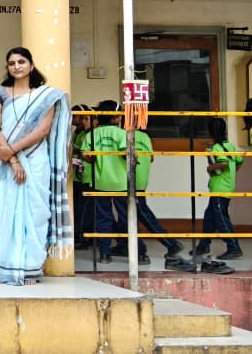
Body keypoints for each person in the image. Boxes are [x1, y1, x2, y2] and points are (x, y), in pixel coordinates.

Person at [0, 47, 71, 286]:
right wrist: (12, 159)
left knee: (34, 211)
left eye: (21, 62)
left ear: (31, 66)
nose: (16, 66)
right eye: (12, 63)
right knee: (6, 212)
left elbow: (42, 131)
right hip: (4, 159)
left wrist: (12, 150)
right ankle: (2, 267)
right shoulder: (1, 92)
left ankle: (30, 268)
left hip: (34, 158)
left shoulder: (46, 96)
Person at [83, 100, 183, 265]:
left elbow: (86, 156)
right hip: (122, 183)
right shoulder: (122, 134)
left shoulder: (91, 135)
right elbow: (128, 153)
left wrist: (101, 161)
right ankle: (139, 253)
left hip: (100, 183)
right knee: (127, 218)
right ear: (115, 117)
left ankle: (105, 254)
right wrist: (133, 160)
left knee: (103, 219)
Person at [196, 117, 242, 267]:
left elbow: (222, 163)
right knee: (209, 217)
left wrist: (210, 168)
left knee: (221, 219)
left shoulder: (217, 148)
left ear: (211, 132)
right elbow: (239, 161)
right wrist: (230, 175)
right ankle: (203, 245)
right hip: (226, 186)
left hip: (219, 189)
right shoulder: (230, 146)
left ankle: (234, 248)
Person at [70, 104, 97, 249]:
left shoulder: (91, 134)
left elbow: (87, 155)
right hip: (78, 174)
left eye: (86, 119)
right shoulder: (79, 132)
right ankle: (81, 235)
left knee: (84, 209)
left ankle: (82, 237)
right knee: (79, 208)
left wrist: (76, 151)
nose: (72, 119)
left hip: (87, 175)